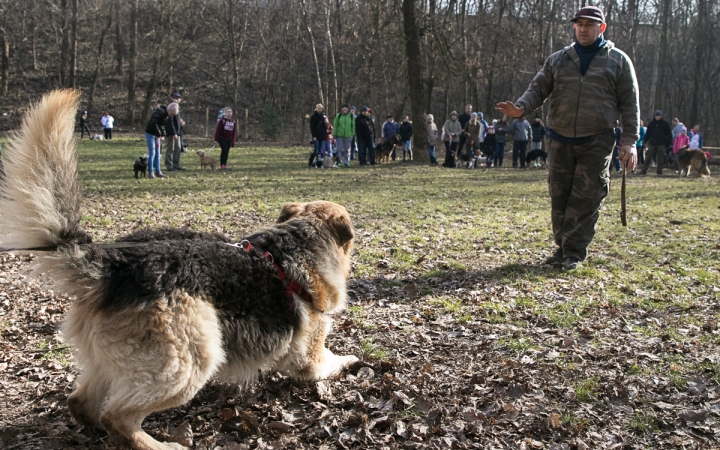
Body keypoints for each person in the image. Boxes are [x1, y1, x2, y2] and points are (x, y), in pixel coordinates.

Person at [496, 5, 639, 270]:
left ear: (602, 28)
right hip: (560, 140)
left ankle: (574, 253)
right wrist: (521, 109)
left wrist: (630, 141)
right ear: (574, 27)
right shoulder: (558, 59)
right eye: (579, 24)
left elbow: (630, 105)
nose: (583, 29)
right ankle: (562, 248)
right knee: (559, 197)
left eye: (589, 25)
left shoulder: (618, 61)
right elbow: (537, 89)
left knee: (585, 198)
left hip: (597, 140)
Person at [640, 110, 672, 175]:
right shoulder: (651, 124)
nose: (658, 117)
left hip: (661, 143)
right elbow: (648, 134)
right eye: (656, 116)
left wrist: (670, 142)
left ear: (661, 116)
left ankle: (659, 171)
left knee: (660, 158)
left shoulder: (665, 124)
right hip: (652, 142)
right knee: (648, 156)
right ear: (654, 116)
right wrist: (645, 141)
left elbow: (669, 134)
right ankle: (644, 170)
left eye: (659, 116)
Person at [144, 104, 169, 178]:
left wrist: (162, 134)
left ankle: (158, 171)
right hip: (150, 134)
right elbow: (154, 124)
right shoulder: (158, 113)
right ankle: (150, 172)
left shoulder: (165, 115)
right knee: (152, 154)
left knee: (158, 154)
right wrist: (159, 134)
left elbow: (161, 125)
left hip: (157, 136)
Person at [164, 102, 185, 172]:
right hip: (171, 133)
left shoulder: (177, 109)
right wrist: (174, 133)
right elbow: (170, 123)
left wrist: (180, 129)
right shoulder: (171, 110)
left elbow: (177, 121)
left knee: (178, 148)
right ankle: (169, 165)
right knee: (170, 149)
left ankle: (176, 165)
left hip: (177, 133)